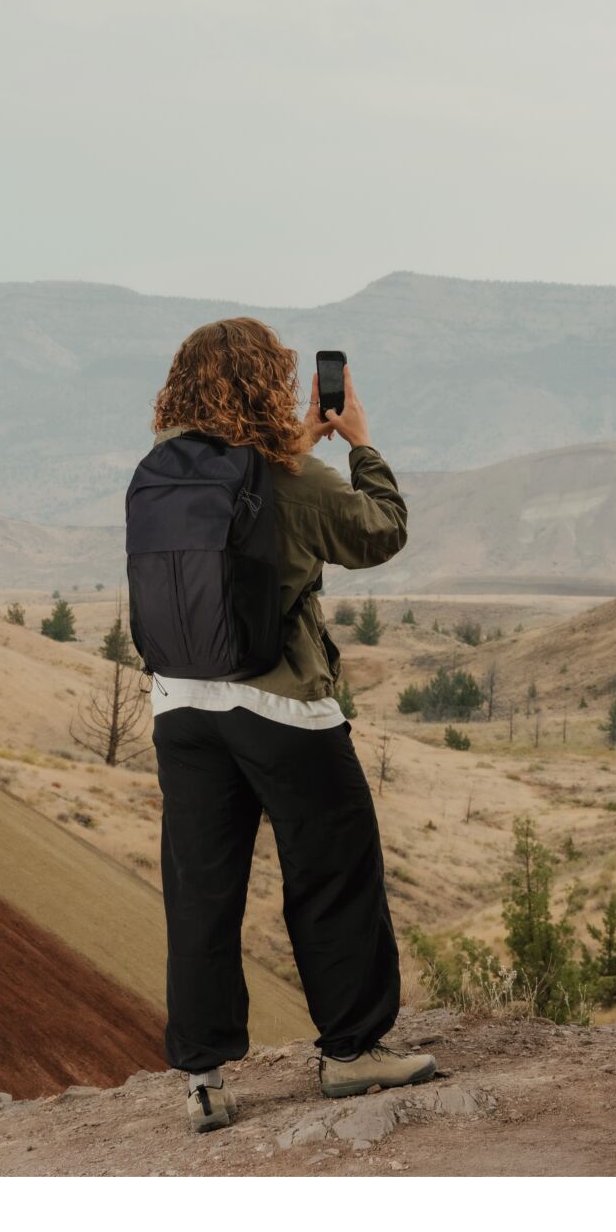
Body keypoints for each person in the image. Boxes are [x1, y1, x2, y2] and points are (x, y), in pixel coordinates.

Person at [144, 317, 436, 1132]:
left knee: (201, 887)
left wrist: (295, 452)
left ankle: (202, 1076)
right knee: (333, 871)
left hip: (180, 707)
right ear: (263, 386)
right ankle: (352, 1052)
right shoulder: (296, 479)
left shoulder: (162, 475)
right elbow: (381, 532)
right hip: (282, 711)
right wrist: (359, 447)